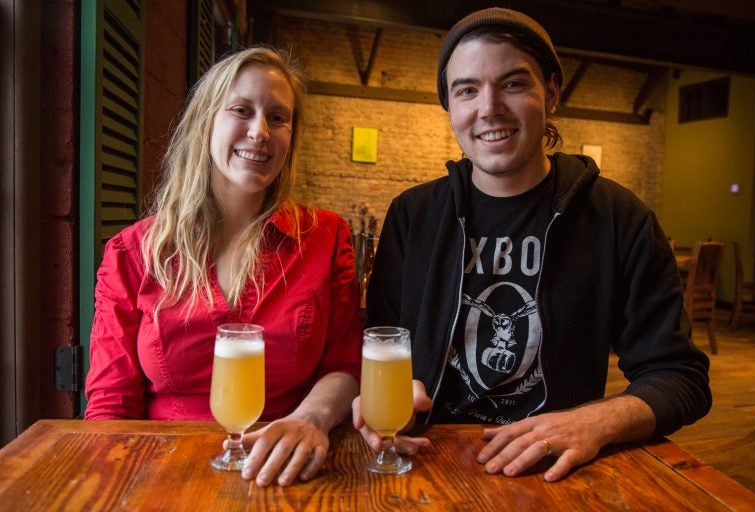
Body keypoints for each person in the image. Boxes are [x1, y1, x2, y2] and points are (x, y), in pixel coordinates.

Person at [354, 7, 711, 482]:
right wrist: (382, 396)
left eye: (514, 84)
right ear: (451, 109)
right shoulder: (413, 215)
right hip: (425, 458)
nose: (488, 108)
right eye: (467, 90)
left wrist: (596, 420)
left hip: (550, 467)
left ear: (552, 93)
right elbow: (381, 340)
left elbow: (681, 377)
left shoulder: (619, 219)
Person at [84, 46, 362, 487]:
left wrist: (312, 418)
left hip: (288, 469)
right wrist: (116, 486)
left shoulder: (325, 236)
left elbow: (345, 362)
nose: (260, 132)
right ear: (205, 121)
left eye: (277, 117)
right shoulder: (133, 251)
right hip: (161, 470)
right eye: (241, 110)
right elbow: (110, 402)